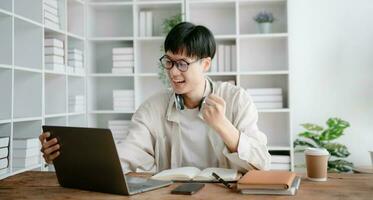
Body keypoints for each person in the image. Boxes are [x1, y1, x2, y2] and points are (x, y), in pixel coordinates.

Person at [39, 22, 271, 173]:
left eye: (182, 64)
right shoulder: (153, 107)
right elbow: (126, 155)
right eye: (169, 61)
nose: (172, 71)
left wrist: (223, 126)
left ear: (206, 64)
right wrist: (66, 159)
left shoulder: (237, 99)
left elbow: (263, 164)